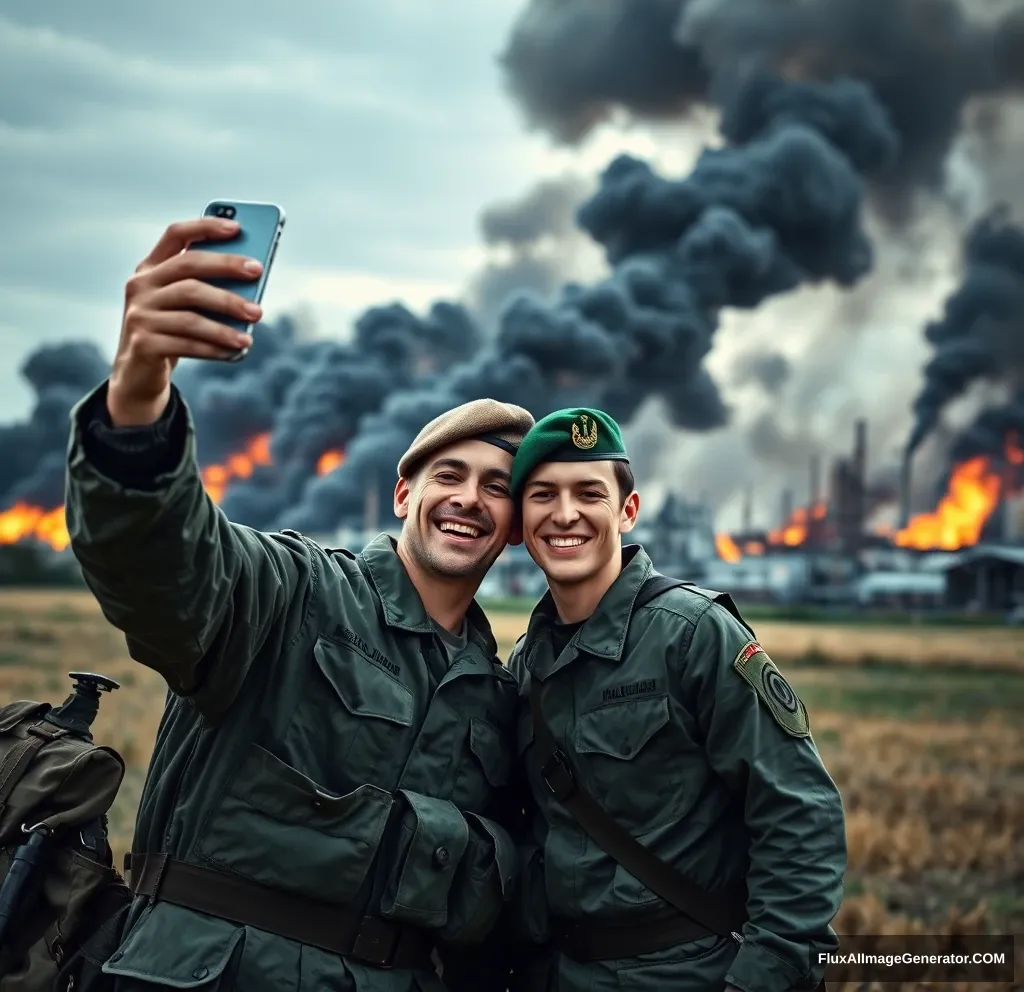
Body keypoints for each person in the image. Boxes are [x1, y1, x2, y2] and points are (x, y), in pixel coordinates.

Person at [62, 215, 535, 992]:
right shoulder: (292, 589)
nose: (469, 499)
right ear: (404, 491)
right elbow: (165, 566)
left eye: (497, 488)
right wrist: (139, 392)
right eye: (449, 475)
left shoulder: (500, 696)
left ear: (514, 527)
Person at [503, 407, 847, 992]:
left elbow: (799, 812)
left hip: (687, 971)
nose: (565, 514)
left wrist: (763, 976)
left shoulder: (694, 635)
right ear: (521, 518)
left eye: (589, 492)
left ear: (628, 511)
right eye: (543, 494)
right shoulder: (526, 665)